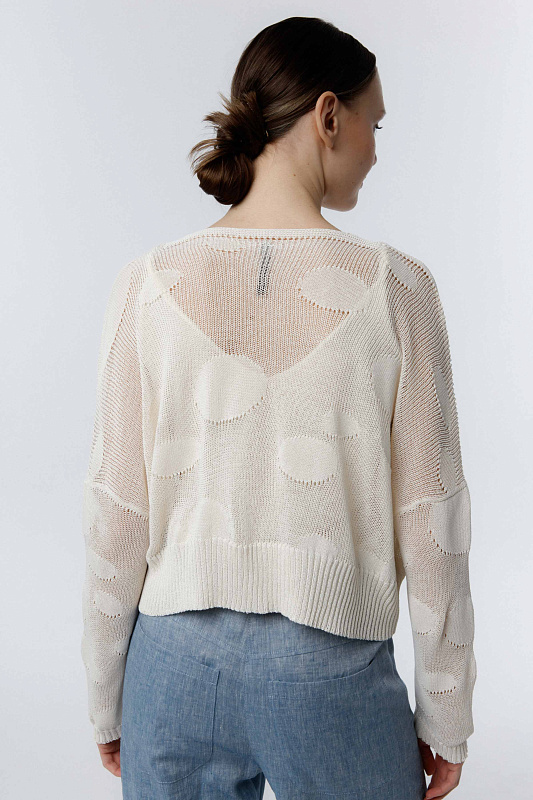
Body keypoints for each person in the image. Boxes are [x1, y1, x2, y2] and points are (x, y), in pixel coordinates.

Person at [81, 15, 476, 800]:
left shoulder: (147, 284)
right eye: (373, 124)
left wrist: (106, 697)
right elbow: (433, 527)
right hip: (331, 679)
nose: (375, 149)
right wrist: (446, 717)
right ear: (328, 115)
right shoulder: (397, 290)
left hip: (169, 673)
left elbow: (115, 516)